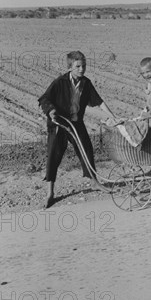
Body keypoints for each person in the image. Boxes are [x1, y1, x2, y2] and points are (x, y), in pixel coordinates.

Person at [38, 51, 117, 208]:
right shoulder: (60, 82)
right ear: (69, 67)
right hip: (59, 123)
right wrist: (51, 110)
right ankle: (50, 192)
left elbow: (98, 101)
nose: (82, 69)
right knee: (54, 154)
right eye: (78, 66)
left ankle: (94, 183)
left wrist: (112, 116)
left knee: (86, 150)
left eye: (84, 66)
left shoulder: (86, 83)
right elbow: (44, 99)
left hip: (76, 123)